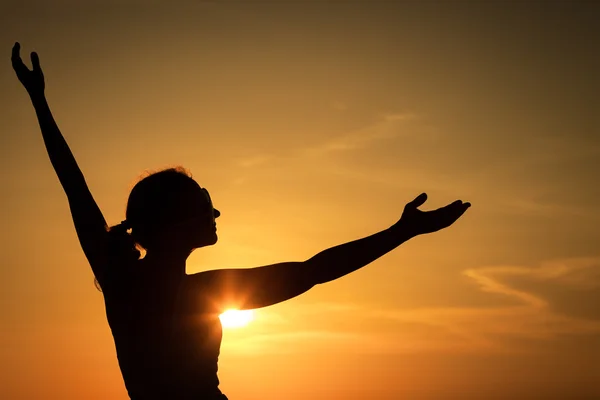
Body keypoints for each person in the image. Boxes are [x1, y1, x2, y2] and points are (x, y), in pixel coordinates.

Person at [11, 42, 471, 400]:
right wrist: (401, 233)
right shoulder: (198, 292)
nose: (214, 212)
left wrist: (40, 103)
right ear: (172, 221)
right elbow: (315, 270)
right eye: (202, 202)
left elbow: (75, 189)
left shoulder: (128, 281)